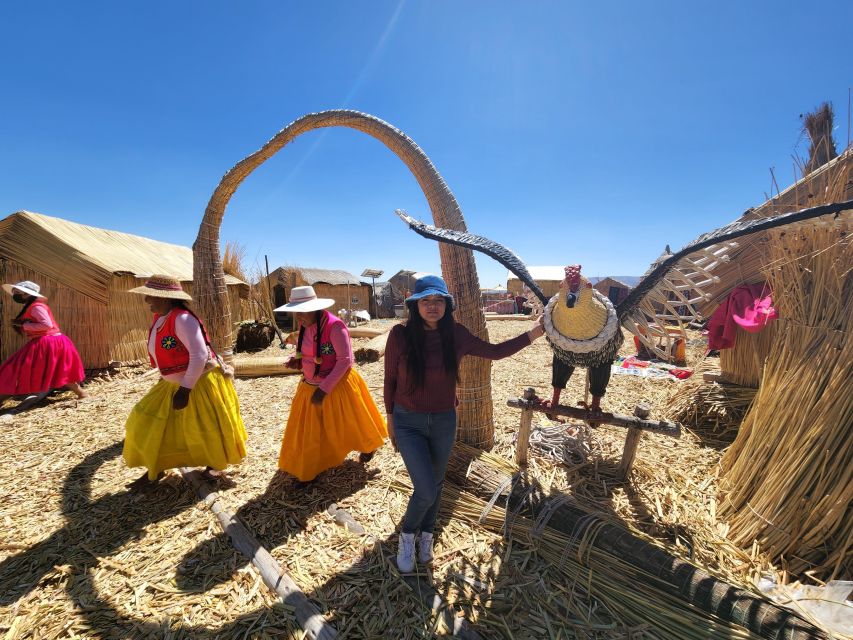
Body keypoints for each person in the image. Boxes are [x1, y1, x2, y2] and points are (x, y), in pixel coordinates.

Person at [384, 274, 546, 572]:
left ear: (447, 304)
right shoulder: (400, 336)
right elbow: (390, 381)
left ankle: (427, 536)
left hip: (444, 421)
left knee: (435, 482)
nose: (432, 306)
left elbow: (495, 352)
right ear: (415, 305)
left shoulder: (456, 335)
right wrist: (391, 422)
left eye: (438, 300)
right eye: (425, 301)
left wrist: (534, 333)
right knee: (426, 489)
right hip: (408, 422)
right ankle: (407, 535)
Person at [122, 274, 247, 490]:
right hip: (171, 384)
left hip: (198, 384)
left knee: (205, 428)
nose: (146, 301)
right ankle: (157, 466)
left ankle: (213, 466)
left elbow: (198, 355)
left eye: (151, 296)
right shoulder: (161, 318)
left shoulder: (182, 319)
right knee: (144, 421)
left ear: (166, 298)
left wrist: (185, 389)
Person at [276, 285, 386, 483]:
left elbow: (345, 360)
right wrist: (296, 358)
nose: (298, 317)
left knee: (352, 423)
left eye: (302, 312)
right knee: (310, 431)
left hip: (337, 385)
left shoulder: (335, 326)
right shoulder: (304, 325)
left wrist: (324, 389)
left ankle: (368, 445)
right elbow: (306, 349)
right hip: (309, 384)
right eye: (295, 312)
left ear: (315, 308)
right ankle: (309, 468)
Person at [0, 280, 86, 411]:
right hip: (50, 341)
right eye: (14, 292)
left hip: (48, 342)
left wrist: (23, 325)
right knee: (58, 369)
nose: (14, 294)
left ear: (25, 293)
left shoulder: (36, 307)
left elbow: (46, 325)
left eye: (17, 292)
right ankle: (82, 393)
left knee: (15, 368)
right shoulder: (33, 306)